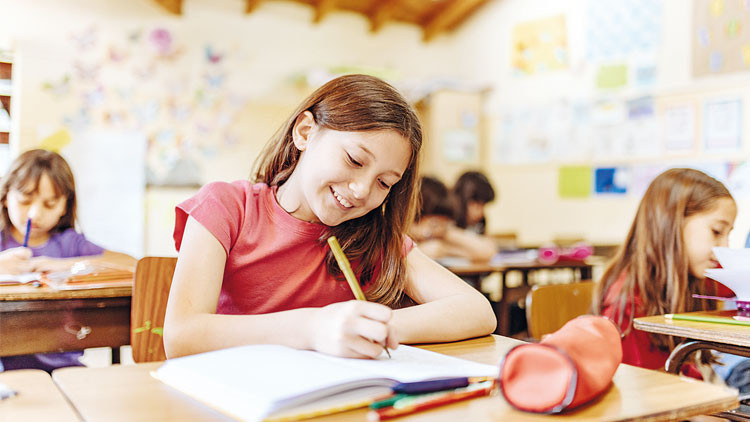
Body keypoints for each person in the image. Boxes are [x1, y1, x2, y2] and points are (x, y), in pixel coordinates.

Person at [163, 74, 496, 360]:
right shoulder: (226, 207)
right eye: (354, 160)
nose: (362, 191)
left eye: (384, 183)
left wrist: (367, 326)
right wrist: (312, 328)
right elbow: (181, 335)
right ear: (305, 132)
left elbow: (476, 310)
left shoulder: (373, 239)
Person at [594, 168, 737, 378]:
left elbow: (737, 283)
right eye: (716, 231)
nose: (725, 246)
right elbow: (638, 387)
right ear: (672, 225)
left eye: (728, 234)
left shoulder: (693, 274)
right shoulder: (628, 303)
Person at [0, 149, 134, 372]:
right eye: (24, 201)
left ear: (65, 205)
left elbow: (132, 264)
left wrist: (61, 265)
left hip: (66, 367)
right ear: (5, 196)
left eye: (50, 203)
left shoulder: (70, 244)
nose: (34, 214)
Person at [411, 176, 495, 262]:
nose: (480, 212)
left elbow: (487, 251)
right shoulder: (410, 237)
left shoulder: (444, 234)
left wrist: (445, 248)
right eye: (475, 204)